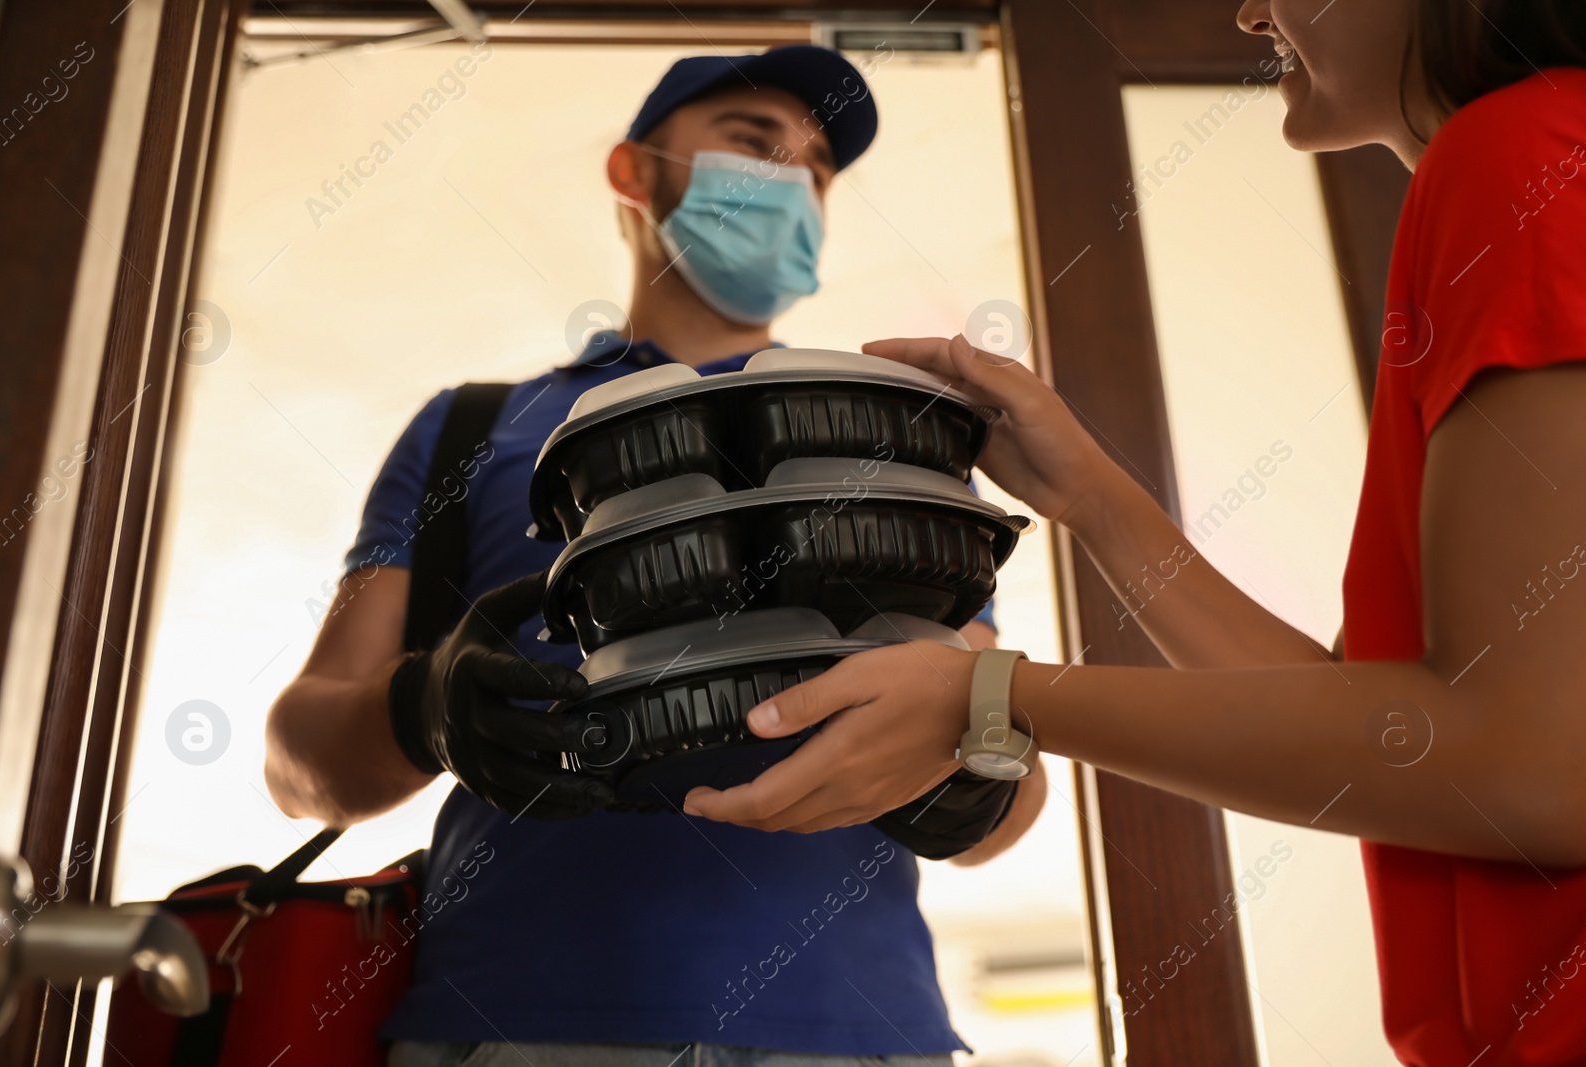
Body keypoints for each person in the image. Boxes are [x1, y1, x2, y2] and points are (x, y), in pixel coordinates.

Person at [681, 3, 1586, 1065]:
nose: (1252, 9)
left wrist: (996, 695)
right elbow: (1392, 742)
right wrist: (1098, 504)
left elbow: (1532, 772)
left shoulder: (1523, 152)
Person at [265, 44, 1047, 1067]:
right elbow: (301, 760)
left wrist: (978, 770)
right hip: (512, 1019)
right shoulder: (469, 432)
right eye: (752, 144)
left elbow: (1003, 797)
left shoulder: (885, 432)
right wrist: (423, 706)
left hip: (855, 1028)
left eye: (814, 171)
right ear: (634, 172)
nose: (791, 181)